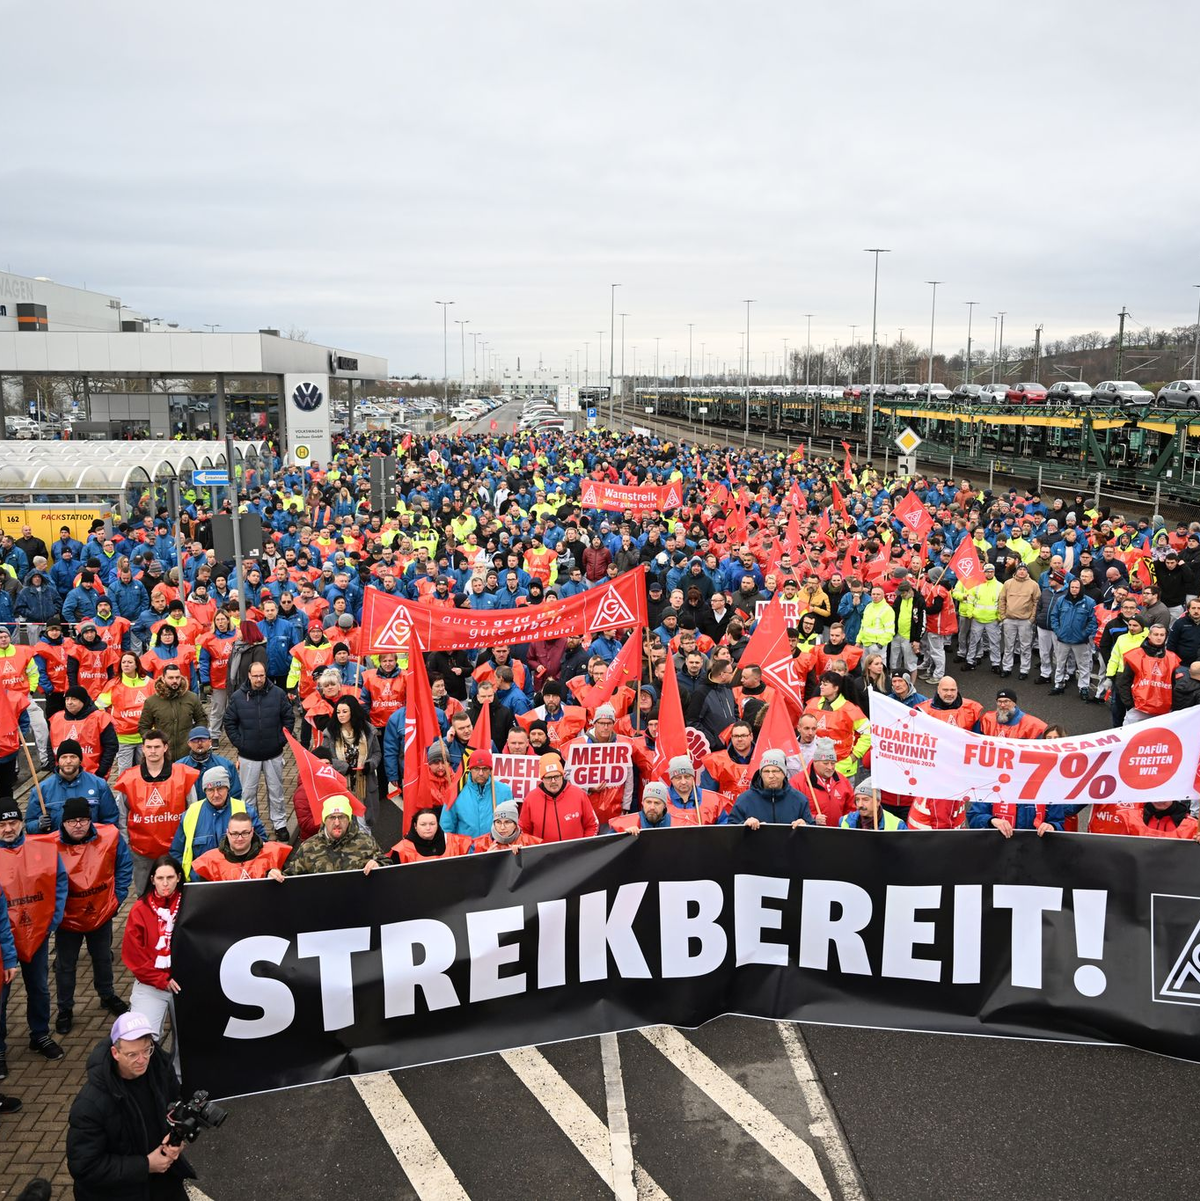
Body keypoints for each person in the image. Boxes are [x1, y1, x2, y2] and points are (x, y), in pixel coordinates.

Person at [66, 1010, 196, 1200]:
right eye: (132, 1054)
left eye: (146, 1050)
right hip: (119, 1193)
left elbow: (175, 1102)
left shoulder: (160, 1066)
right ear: (115, 1053)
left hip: (162, 1182)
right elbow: (84, 1167)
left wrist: (176, 1138)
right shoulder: (89, 1105)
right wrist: (146, 1165)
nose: (142, 1060)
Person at [43, 796, 132, 1035]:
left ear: (90, 820)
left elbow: (124, 865)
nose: (78, 825)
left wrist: (118, 897)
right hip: (67, 920)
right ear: (63, 823)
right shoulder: (49, 845)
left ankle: (107, 994)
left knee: (102, 958)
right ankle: (65, 1008)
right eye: (72, 821)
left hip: (101, 912)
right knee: (65, 966)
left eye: (83, 820)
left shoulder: (110, 836)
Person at [0, 798, 68, 1078]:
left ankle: (39, 1034)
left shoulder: (43, 848)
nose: (8, 829)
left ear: (21, 823)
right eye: (2, 824)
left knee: (39, 988)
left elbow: (60, 881)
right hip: (2, 942)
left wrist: (53, 919)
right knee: (1, 997)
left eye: (13, 822)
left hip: (36, 933)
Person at [112, 730, 200, 894]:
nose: (153, 751)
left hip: (176, 849)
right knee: (143, 894)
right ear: (143, 749)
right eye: (149, 747)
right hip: (141, 852)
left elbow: (193, 811)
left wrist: (189, 841)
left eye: (157, 747)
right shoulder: (129, 778)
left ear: (165, 748)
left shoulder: (183, 775)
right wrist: (127, 843)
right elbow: (122, 815)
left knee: (177, 893)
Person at [224, 660, 294, 842]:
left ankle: (279, 824)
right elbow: (229, 722)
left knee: (276, 791)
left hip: (274, 753)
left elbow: (288, 718)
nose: (259, 679)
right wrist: (240, 743)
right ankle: (249, 825)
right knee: (247, 793)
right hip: (248, 755)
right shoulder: (238, 697)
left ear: (265, 674)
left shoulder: (278, 694)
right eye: (255, 676)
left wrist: (280, 741)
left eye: (261, 675)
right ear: (249, 675)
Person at [120, 856, 184, 1054]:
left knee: (190, 1041)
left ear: (178, 877)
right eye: (160, 878)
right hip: (151, 983)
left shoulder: (191, 903)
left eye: (170, 878)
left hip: (185, 983)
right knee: (141, 1039)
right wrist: (160, 979)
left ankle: (179, 1073)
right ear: (152, 880)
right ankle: (151, 1073)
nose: (165, 883)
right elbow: (133, 955)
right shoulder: (140, 909)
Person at [169, 765, 268, 881]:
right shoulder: (190, 814)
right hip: (201, 882)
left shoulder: (246, 811)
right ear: (205, 791)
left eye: (220, 788)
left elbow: (263, 846)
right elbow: (176, 852)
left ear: (228, 788)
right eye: (210, 790)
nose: (216, 794)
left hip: (237, 880)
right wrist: (194, 875)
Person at [270, 796, 387, 877]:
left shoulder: (366, 841)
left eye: (341, 817)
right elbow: (290, 879)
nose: (337, 823)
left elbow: (387, 865)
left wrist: (379, 865)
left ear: (349, 819)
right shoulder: (307, 847)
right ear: (324, 820)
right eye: (332, 817)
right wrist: (273, 875)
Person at [24, 737, 120, 833]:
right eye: (64, 757)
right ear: (58, 761)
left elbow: (110, 820)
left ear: (80, 760)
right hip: (56, 842)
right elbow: (29, 825)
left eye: (73, 757)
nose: (68, 761)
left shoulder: (99, 785)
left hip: (92, 841)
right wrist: (38, 825)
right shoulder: (41, 790)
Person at [191, 809, 294, 880]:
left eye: (245, 833)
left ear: (252, 831)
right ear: (227, 833)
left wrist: (277, 876)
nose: (240, 838)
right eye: (235, 834)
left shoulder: (273, 854)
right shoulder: (209, 862)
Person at [518, 754, 598, 843]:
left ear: (562, 776)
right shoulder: (531, 799)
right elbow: (524, 831)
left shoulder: (579, 794)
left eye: (556, 776)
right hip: (543, 851)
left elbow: (592, 825)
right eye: (549, 778)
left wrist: (585, 846)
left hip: (576, 850)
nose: (553, 781)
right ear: (542, 779)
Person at [137, 663, 206, 760]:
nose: (175, 681)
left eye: (177, 677)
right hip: (164, 755)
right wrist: (155, 743)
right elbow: (143, 727)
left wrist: (196, 738)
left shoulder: (192, 698)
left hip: (188, 754)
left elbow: (202, 720)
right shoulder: (151, 702)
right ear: (163, 678)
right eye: (171, 678)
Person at [440, 750, 516, 839]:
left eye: (485, 769)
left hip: (495, 845)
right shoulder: (455, 792)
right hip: (465, 846)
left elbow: (512, 824)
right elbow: (446, 828)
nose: (480, 773)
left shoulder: (504, 791)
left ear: (490, 770)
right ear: (470, 769)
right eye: (476, 769)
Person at [729, 749, 812, 828]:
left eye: (775, 771)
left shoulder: (799, 800)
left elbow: (812, 832)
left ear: (784, 773)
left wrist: (805, 826)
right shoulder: (744, 800)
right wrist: (744, 825)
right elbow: (731, 830)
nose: (771, 776)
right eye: (766, 771)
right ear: (760, 774)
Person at [792, 738, 855, 827]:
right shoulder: (798, 782)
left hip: (838, 833)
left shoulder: (843, 781)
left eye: (833, 763)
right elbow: (792, 811)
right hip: (810, 833)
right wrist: (813, 818)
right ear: (815, 762)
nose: (830, 767)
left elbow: (851, 811)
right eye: (825, 763)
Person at [175, 725, 242, 805]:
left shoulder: (226, 765)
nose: (199, 743)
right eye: (195, 740)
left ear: (210, 741)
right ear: (189, 743)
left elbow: (235, 794)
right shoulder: (178, 767)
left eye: (203, 739)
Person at [390, 808, 475, 863]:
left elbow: (478, 846)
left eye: (432, 824)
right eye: (423, 824)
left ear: (437, 824)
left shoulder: (455, 841)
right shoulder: (401, 850)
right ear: (415, 826)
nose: (428, 828)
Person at [471, 800, 542, 851]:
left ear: (515, 824)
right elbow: (472, 866)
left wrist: (523, 855)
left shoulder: (531, 843)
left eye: (507, 822)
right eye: (498, 822)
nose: (502, 827)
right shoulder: (478, 844)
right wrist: (485, 858)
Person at [840, 778, 908, 829]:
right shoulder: (845, 821)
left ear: (877, 802)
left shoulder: (897, 825)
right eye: (857, 800)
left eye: (865, 800)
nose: (860, 804)